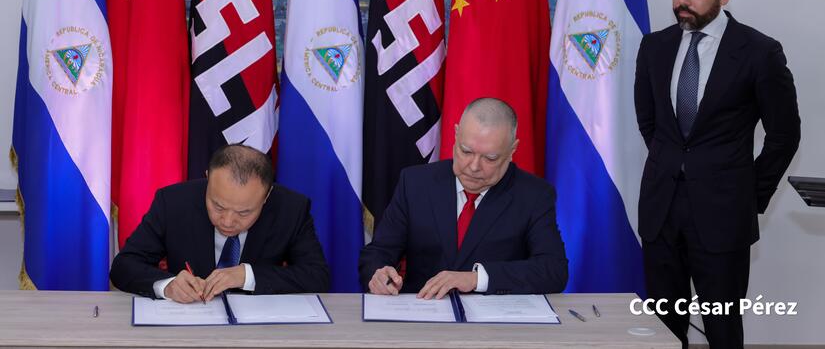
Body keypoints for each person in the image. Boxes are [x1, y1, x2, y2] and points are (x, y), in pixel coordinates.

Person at [634, 0, 801, 348]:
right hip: (661, 211)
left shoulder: (759, 52)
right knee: (662, 331)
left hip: (724, 215)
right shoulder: (654, 47)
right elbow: (651, 124)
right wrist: (672, 165)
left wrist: (748, 196)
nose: (683, 1)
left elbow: (784, 134)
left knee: (723, 330)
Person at [359, 97, 568, 299]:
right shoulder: (415, 183)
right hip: (424, 311)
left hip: (494, 319)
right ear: (456, 134)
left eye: (490, 158)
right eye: (466, 151)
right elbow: (378, 252)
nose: (474, 166)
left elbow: (553, 270)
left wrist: (476, 279)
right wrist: (378, 274)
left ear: (512, 150)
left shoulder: (534, 195)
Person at [110, 144, 330, 302]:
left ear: (267, 196)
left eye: (244, 212)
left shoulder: (291, 209)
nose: (227, 221)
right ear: (208, 178)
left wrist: (247, 276)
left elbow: (317, 277)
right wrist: (167, 286)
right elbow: (124, 266)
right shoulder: (173, 202)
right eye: (218, 206)